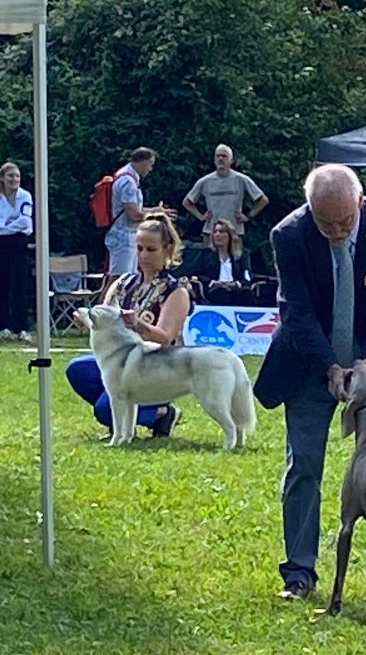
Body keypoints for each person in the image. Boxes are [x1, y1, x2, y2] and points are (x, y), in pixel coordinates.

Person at [253, 164, 366, 601]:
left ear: (360, 203)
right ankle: (299, 574)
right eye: (326, 223)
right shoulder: (289, 236)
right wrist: (329, 366)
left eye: (345, 221)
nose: (338, 231)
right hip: (309, 363)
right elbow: (297, 312)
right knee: (303, 465)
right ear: (310, 210)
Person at [66, 212, 193, 438]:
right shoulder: (123, 282)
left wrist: (137, 324)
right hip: (121, 361)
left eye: (151, 249)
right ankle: (125, 418)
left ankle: (161, 412)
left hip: (158, 367)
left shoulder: (177, 291)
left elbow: (165, 337)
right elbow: (103, 320)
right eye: (139, 248)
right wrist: (87, 320)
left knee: (104, 409)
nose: (143, 255)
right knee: (77, 369)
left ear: (168, 250)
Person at [182, 144, 269, 244]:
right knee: (210, 259)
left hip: (234, 232)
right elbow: (187, 202)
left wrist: (249, 216)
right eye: (217, 156)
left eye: (224, 156)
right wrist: (200, 216)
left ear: (231, 160)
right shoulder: (205, 181)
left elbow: (263, 200)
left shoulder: (241, 179)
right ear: (214, 160)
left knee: (235, 259)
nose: (220, 159)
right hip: (211, 233)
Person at [103, 147, 160, 294]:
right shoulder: (128, 182)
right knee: (117, 279)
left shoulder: (126, 176)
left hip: (127, 237)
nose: (150, 168)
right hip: (123, 238)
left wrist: (154, 210)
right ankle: (100, 312)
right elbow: (133, 215)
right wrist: (155, 217)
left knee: (126, 279)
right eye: (150, 164)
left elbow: (134, 209)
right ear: (144, 161)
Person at [0, 161, 34, 342]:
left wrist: (6, 227)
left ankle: (21, 328)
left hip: (19, 244)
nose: (14, 179)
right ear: (2, 178)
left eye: (17, 176)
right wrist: (10, 227)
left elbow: (25, 223)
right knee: (2, 285)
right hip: (1, 244)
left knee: (20, 285)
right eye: (10, 176)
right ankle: (2, 326)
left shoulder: (25, 196)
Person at [190, 219, 255, 306]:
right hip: (214, 289)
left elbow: (247, 276)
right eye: (215, 232)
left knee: (246, 293)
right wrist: (213, 282)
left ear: (230, 235)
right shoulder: (205, 254)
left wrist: (236, 284)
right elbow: (197, 274)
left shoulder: (242, 255)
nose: (217, 235)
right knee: (220, 292)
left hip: (236, 289)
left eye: (221, 232)